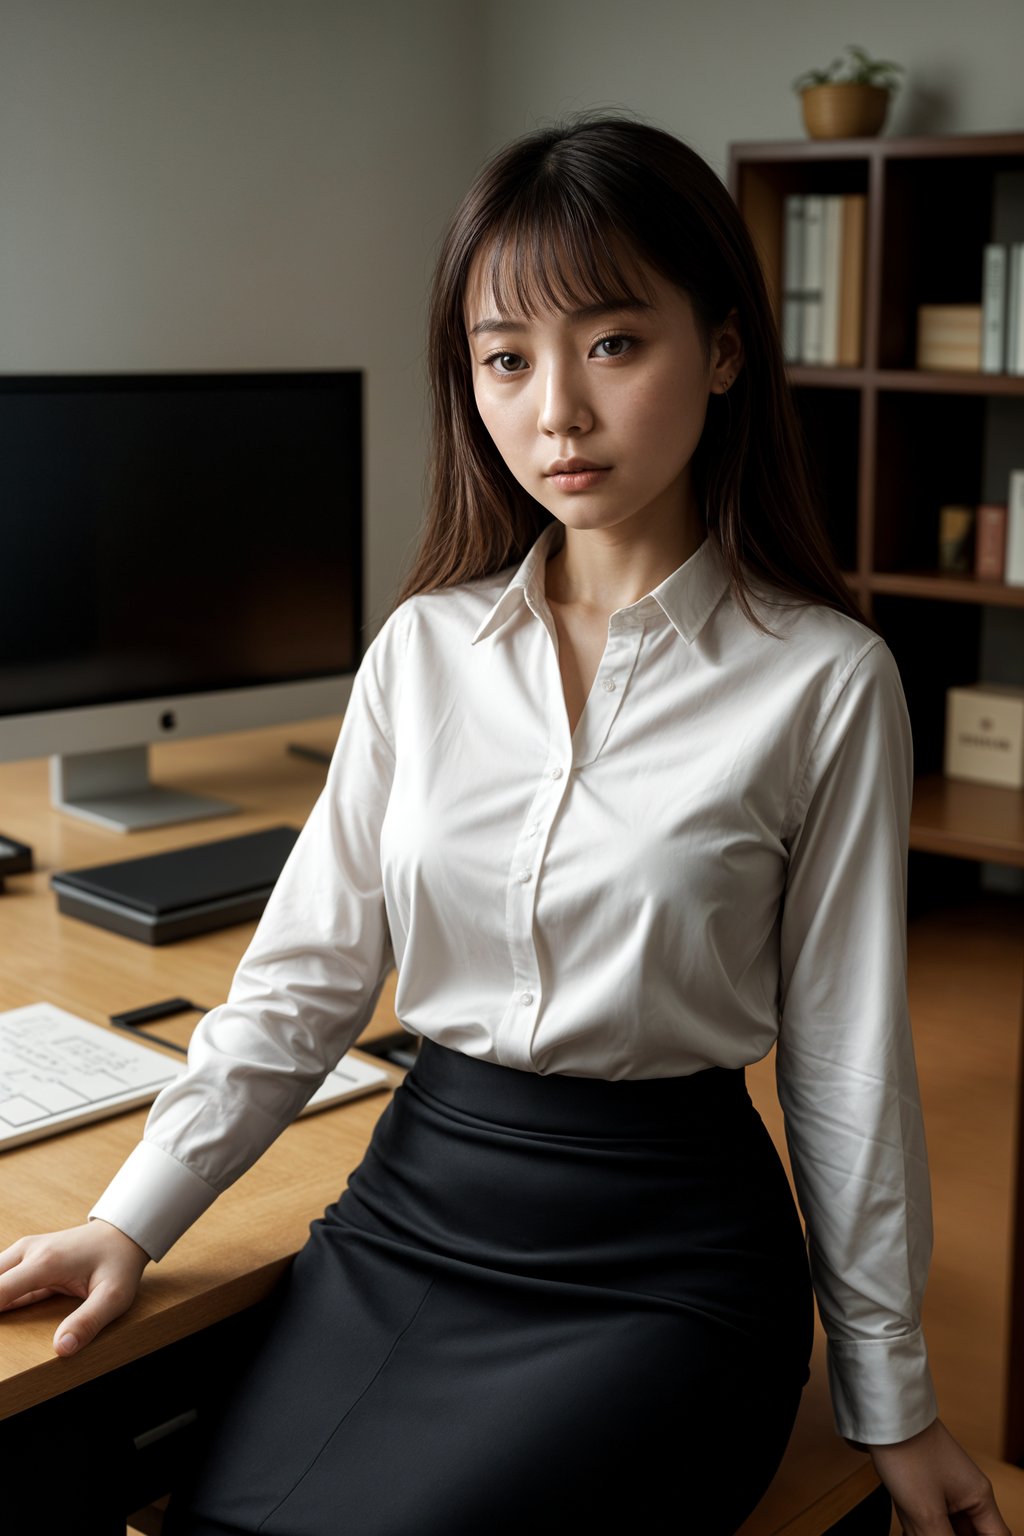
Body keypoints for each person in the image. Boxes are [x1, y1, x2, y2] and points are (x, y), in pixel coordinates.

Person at [0, 115, 1011, 1536]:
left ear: (722, 348)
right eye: (505, 357)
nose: (557, 413)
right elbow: (300, 988)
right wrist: (131, 1217)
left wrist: (890, 1399)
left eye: (612, 343)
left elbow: (847, 1071)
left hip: (664, 1261)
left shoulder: (825, 683)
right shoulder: (421, 652)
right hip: (414, 1211)